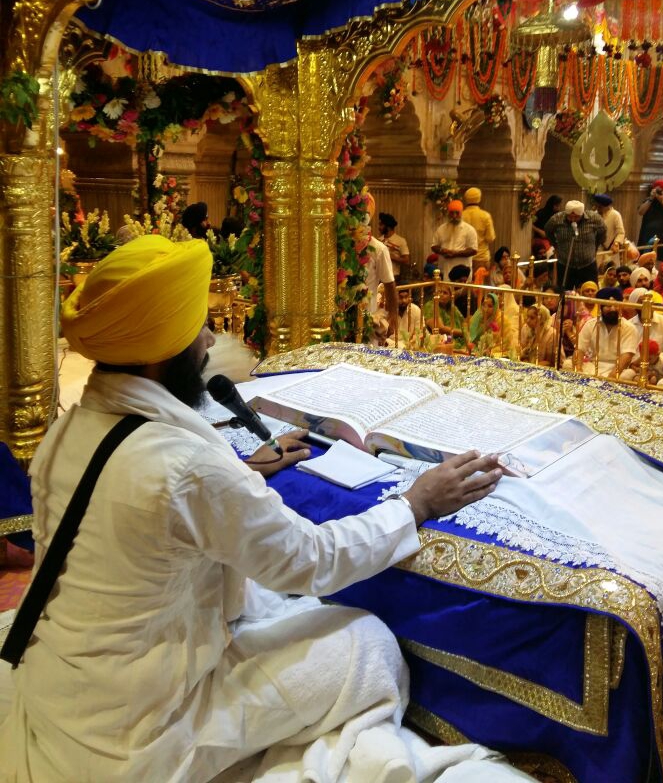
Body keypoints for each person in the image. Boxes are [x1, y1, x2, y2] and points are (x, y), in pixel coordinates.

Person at [3, 235, 504, 782]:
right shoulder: (187, 465)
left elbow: (142, 508)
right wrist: (416, 503)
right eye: (197, 327)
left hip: (66, 693)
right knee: (366, 642)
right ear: (157, 349)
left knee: (266, 600)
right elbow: (312, 559)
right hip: (140, 734)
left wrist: (244, 473)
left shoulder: (69, 429)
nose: (210, 337)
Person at [569, 287, 638, 378]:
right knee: (568, 364)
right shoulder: (591, 324)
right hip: (594, 365)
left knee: (626, 376)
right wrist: (578, 369)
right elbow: (580, 349)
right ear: (601, 307)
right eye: (608, 306)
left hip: (619, 369)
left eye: (616, 305)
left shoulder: (629, 328)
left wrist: (612, 376)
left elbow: (627, 356)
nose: (613, 309)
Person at [545, 200, 606, 291]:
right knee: (563, 293)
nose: (573, 219)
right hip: (565, 264)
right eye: (570, 217)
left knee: (590, 292)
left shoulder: (594, 218)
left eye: (576, 217)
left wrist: (594, 247)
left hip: (587, 265)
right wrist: (555, 245)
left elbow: (603, 232)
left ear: (582, 214)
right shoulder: (556, 219)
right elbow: (548, 231)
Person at [363, 193, 398, 339]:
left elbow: (389, 285)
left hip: (368, 320)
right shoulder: (339, 245)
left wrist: (392, 317)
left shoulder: (378, 249)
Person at [431, 199, 478, 280]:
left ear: (461, 213)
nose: (454, 216)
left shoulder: (469, 230)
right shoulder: (441, 229)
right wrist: (442, 250)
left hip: (463, 272)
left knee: (462, 292)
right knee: (445, 292)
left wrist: (455, 253)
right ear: (448, 214)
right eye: (452, 213)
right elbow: (434, 246)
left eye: (457, 213)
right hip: (445, 268)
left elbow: (473, 250)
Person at [636, 180, 663, 261]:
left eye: (660, 190)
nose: (658, 192)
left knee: (662, 262)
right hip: (647, 238)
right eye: (656, 190)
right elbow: (641, 212)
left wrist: (662, 200)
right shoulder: (648, 200)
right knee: (645, 260)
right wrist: (651, 199)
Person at [422, 282, 467, 349]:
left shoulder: (452, 307)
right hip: (440, 341)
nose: (441, 295)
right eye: (439, 292)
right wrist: (463, 333)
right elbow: (440, 329)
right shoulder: (431, 306)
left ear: (450, 297)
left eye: (445, 293)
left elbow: (463, 322)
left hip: (458, 338)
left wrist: (466, 331)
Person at [461, 187, 496, 270]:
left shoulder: (461, 215)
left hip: (464, 256)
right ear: (479, 198)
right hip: (481, 257)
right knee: (480, 282)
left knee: (464, 282)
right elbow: (490, 238)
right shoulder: (485, 216)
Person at [378, 212, 410, 283]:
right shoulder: (379, 240)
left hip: (393, 277)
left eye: (381, 225)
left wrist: (391, 257)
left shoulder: (400, 240)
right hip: (379, 277)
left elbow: (406, 260)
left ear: (388, 227)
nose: (379, 227)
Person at [592, 193, 625, 258]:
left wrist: (616, 243)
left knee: (611, 267)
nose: (598, 209)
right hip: (597, 249)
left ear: (607, 206)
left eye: (600, 207)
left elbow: (621, 232)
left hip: (611, 250)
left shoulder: (615, 215)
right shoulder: (594, 214)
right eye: (597, 206)